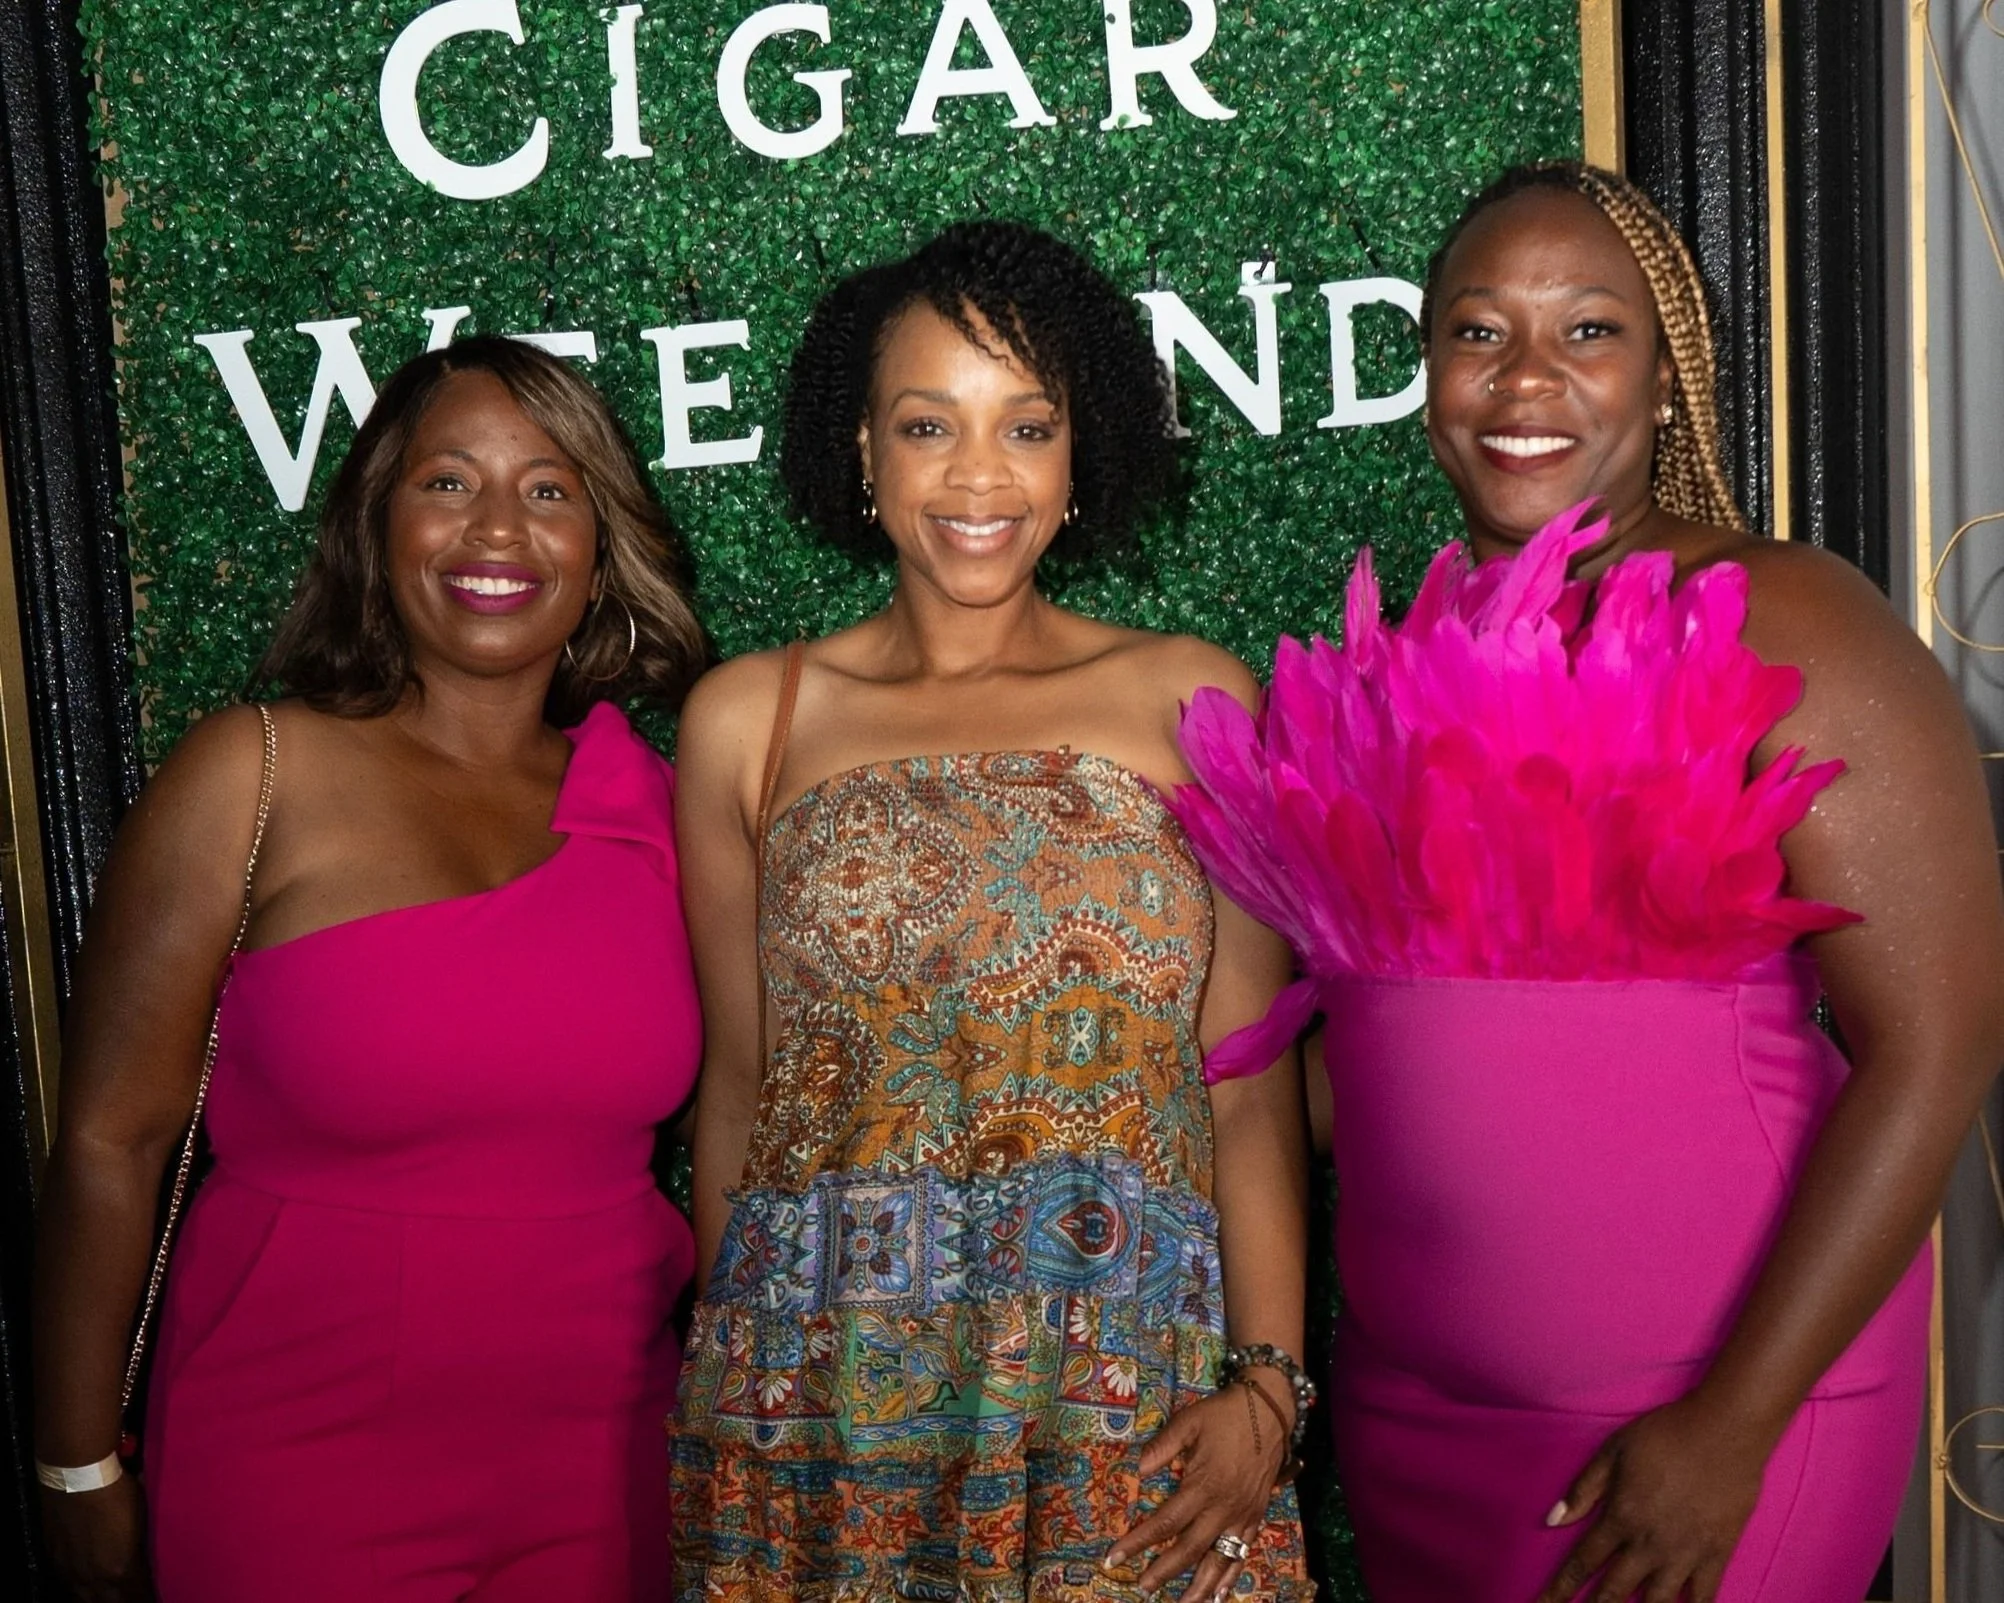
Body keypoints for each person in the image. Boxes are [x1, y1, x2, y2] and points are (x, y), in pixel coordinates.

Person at [1302, 161, 2003, 1602]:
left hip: (1705, 1413)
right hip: (1420, 1417)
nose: (1526, 379)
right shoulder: (1397, 658)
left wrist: (1732, 1423)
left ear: (1670, 376)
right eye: (1479, 331)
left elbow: (1937, 1050)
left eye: (1590, 331)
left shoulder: (1785, 612)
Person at [668, 220, 1315, 1603]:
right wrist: (747, 1406)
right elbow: (742, 1084)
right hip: (822, 1409)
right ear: (862, 449)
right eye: (927, 424)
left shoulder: (1189, 698)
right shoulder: (750, 719)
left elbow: (1250, 1084)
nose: (979, 475)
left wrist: (1269, 1384)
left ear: (1080, 456)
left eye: (1026, 425)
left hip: (1124, 1406)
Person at [32, 335, 708, 1603]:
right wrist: (74, 1461)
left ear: (602, 544)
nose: (497, 529)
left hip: (606, 1472)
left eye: (550, 488)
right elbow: (109, 1142)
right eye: (448, 482)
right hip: (293, 1461)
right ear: (376, 523)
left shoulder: (661, 808)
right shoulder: (254, 772)